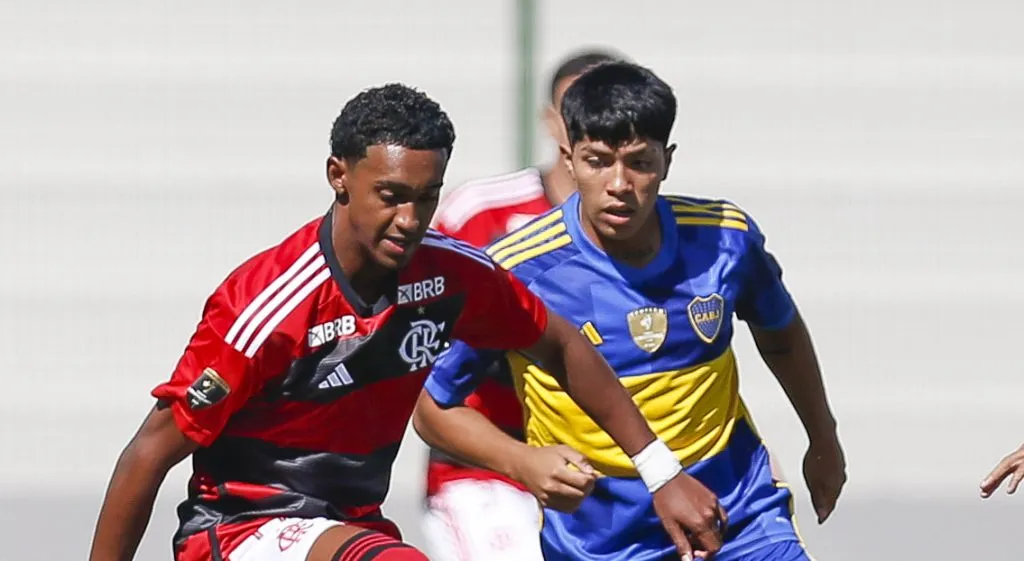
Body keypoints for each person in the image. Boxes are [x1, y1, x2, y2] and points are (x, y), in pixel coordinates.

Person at [87, 82, 728, 561]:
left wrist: (661, 472)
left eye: (427, 198)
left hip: (354, 523)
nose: (410, 219)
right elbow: (148, 453)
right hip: (243, 527)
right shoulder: (269, 303)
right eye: (391, 196)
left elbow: (561, 345)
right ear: (339, 177)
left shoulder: (451, 276)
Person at [414, 62, 848, 561]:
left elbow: (782, 335)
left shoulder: (725, 238)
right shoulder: (516, 271)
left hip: (737, 514)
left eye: (639, 162)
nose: (619, 183)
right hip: (601, 541)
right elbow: (432, 408)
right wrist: (521, 462)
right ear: (568, 159)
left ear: (668, 160)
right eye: (598, 161)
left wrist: (823, 437)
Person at [423, 48, 622, 561]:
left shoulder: (647, 231)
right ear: (552, 122)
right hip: (486, 472)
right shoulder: (480, 214)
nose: (593, 125)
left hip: (608, 473)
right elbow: (423, 349)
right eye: (579, 109)